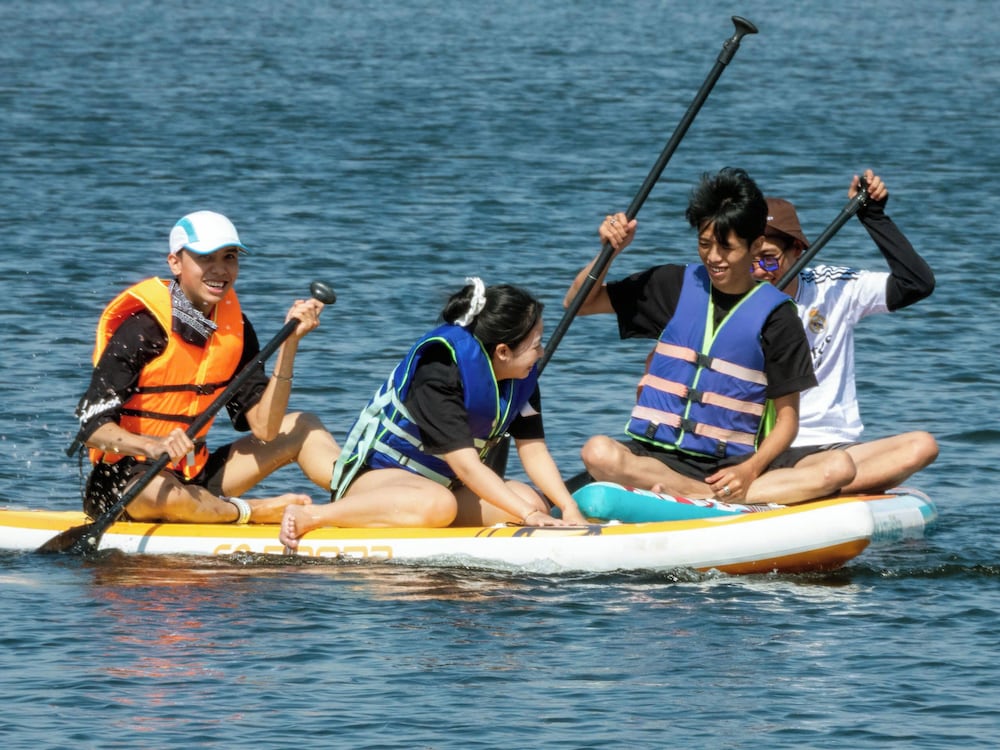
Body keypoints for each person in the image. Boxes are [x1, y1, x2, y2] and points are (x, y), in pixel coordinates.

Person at [567, 167, 856, 505]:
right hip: (656, 459)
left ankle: (715, 491)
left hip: (733, 465)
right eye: (704, 244)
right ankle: (702, 494)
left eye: (726, 247)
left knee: (839, 467)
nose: (713, 257)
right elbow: (579, 303)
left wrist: (750, 469)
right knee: (598, 452)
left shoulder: (778, 316)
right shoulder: (673, 285)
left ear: (756, 245)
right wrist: (610, 251)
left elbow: (788, 421)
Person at [279, 278, 588, 549]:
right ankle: (312, 516)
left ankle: (426, 526)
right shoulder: (440, 370)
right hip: (375, 479)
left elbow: (533, 449)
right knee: (440, 504)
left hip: (444, 486)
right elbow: (465, 466)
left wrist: (568, 507)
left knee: (531, 500)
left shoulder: (519, 377)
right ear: (503, 351)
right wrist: (527, 517)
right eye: (537, 344)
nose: (542, 352)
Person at [74, 210, 340, 525]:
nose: (220, 270)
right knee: (164, 494)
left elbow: (266, 429)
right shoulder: (142, 330)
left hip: (193, 473)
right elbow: (91, 428)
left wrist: (289, 344)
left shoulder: (235, 329)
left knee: (303, 426)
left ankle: (369, 501)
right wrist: (153, 445)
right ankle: (251, 511)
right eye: (205, 258)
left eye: (229, 257)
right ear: (175, 262)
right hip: (131, 482)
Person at [751, 170, 938, 492]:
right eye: (749, 260)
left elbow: (916, 284)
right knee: (835, 470)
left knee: (922, 445)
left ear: (799, 250)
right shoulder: (733, 299)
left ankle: (800, 488)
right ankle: (789, 486)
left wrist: (873, 217)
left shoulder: (834, 286)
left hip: (837, 450)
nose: (758, 271)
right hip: (761, 448)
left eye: (769, 260)